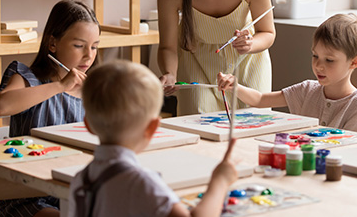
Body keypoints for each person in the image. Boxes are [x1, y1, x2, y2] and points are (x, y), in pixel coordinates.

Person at [69, 60, 237, 217]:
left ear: (88, 124)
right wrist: (219, 181)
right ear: (152, 128)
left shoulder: (81, 179)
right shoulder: (140, 183)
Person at [0, 0, 101, 217]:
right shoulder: (25, 75)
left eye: (95, 47)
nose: (89, 55)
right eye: (79, 46)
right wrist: (60, 86)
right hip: (27, 195)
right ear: (52, 44)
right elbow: (2, 106)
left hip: (73, 189)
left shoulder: (93, 90)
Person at [218, 14, 357, 135]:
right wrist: (235, 87)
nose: (318, 65)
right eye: (315, 56)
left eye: (329, 60)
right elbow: (260, 99)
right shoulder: (307, 90)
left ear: (354, 62)